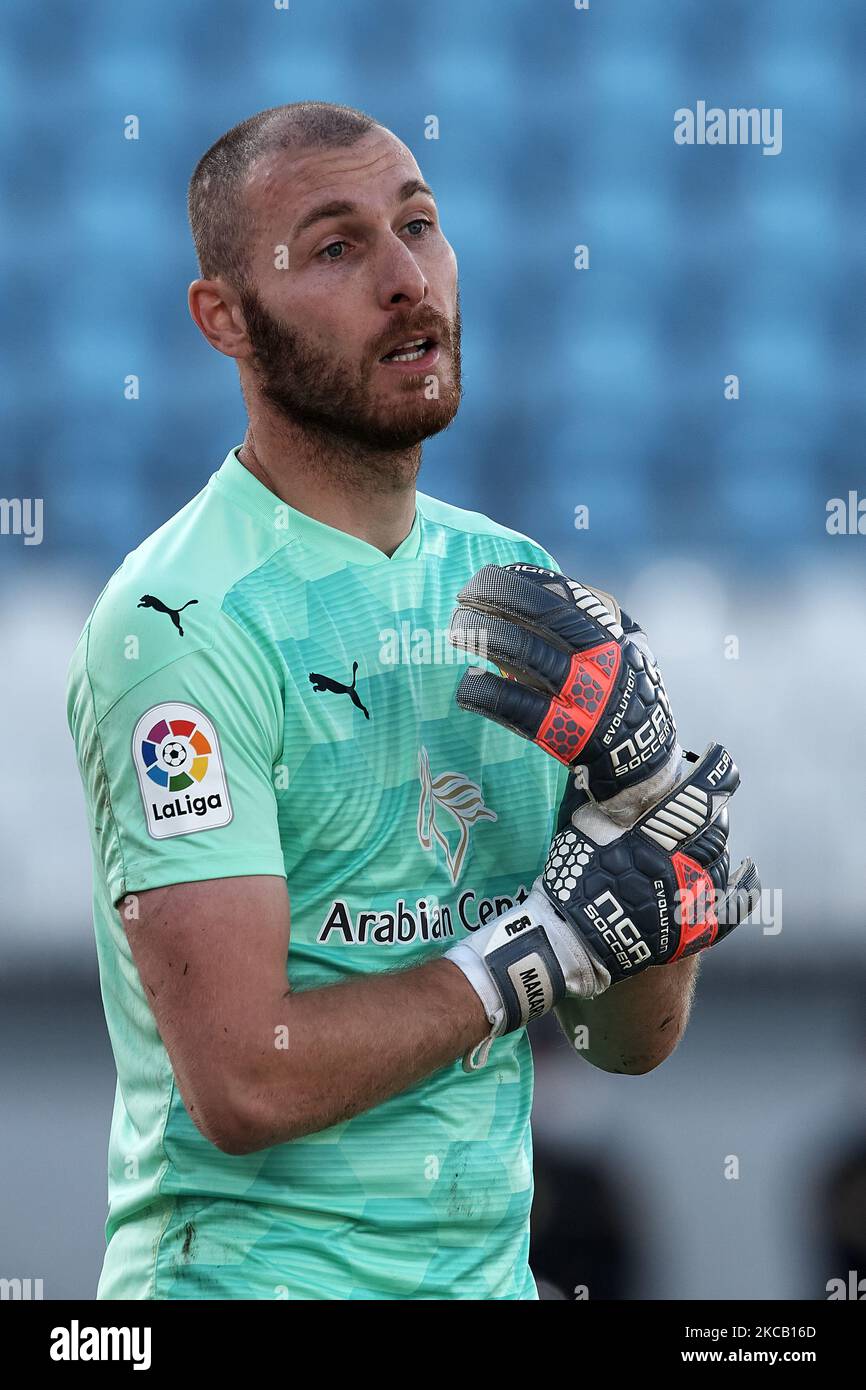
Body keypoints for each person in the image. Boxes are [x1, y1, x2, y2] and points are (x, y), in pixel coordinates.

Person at [67, 102, 736, 1300]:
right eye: (334, 247)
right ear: (222, 316)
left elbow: (626, 1043)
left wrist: (642, 817)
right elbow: (244, 1082)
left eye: (419, 226)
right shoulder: (178, 625)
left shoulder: (514, 588)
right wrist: (529, 954)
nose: (403, 279)